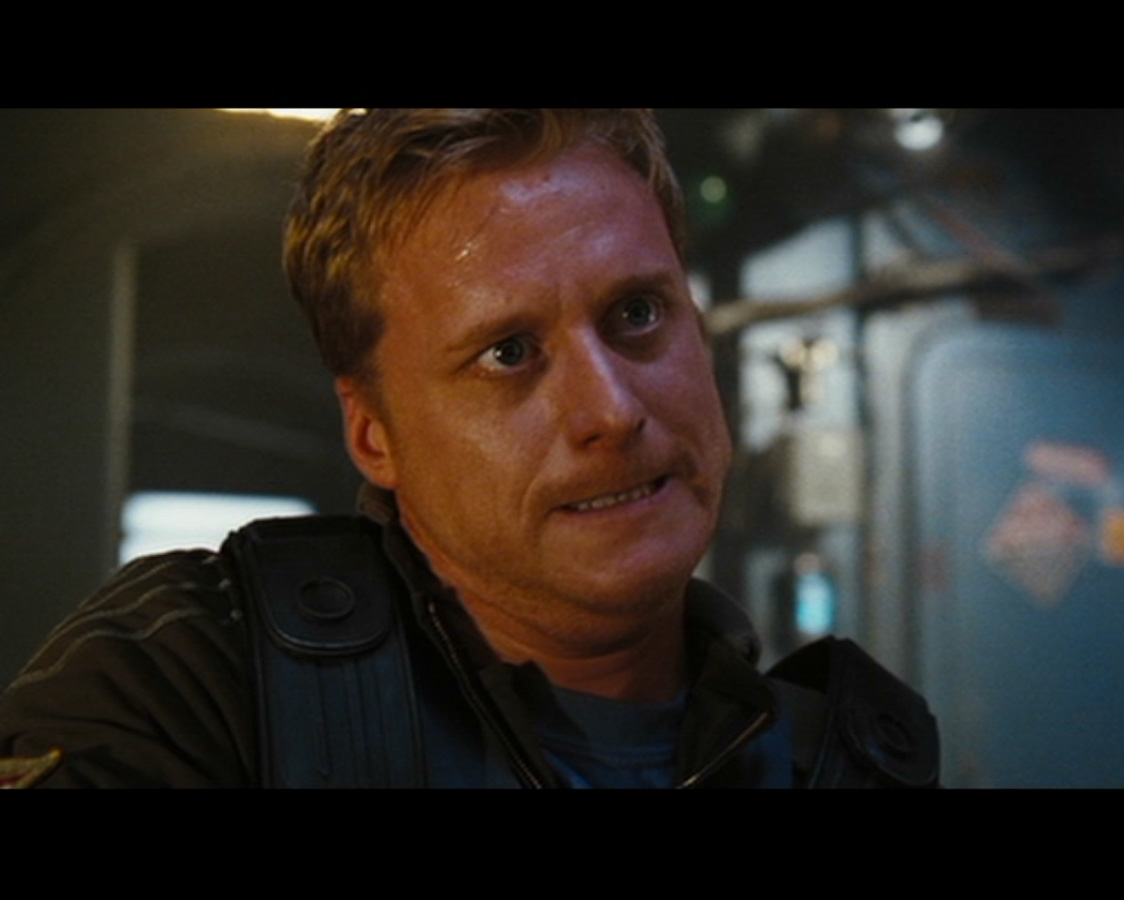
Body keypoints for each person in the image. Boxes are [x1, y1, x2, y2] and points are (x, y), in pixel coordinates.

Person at [0, 109, 937, 789]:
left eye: (638, 314)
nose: (611, 410)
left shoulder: (846, 757)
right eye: (508, 353)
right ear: (373, 433)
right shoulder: (190, 686)